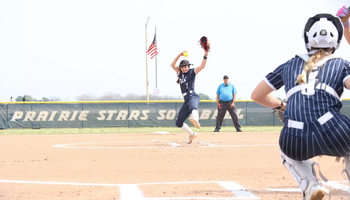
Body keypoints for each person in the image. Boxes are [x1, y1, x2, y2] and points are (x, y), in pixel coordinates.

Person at [251, 13, 350, 200]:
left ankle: (309, 184)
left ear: (307, 38)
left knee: (285, 149)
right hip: (336, 133)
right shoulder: (341, 64)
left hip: (295, 140)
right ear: (335, 42)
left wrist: (283, 105)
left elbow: (257, 95)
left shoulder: (289, 64)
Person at [170, 48, 209, 144]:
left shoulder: (192, 72)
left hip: (193, 96)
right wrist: (180, 54)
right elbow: (172, 65)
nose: (184, 68)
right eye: (182, 67)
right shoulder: (179, 74)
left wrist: (205, 54)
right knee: (179, 123)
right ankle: (192, 134)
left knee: (193, 107)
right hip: (186, 100)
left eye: (185, 66)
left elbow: (202, 66)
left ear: (188, 66)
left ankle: (196, 120)